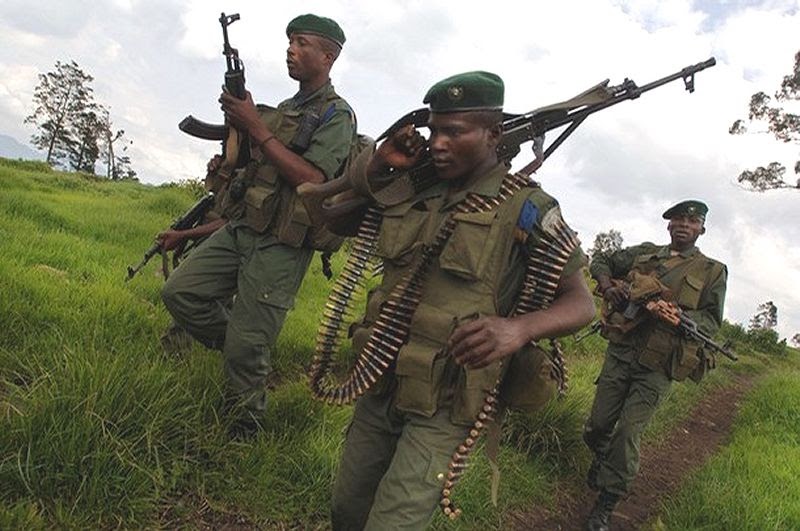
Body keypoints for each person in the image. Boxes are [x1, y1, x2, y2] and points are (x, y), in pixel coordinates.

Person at [330, 71, 596, 530]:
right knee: (347, 510)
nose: (438, 142)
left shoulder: (527, 206)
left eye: (455, 131)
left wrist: (517, 330)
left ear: (494, 135)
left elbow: (582, 304)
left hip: (448, 397)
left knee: (393, 522)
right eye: (434, 130)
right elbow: (329, 218)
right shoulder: (412, 187)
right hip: (380, 377)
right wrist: (377, 168)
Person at [162, 14, 356, 436]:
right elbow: (255, 165)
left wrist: (254, 126)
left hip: (281, 245)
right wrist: (237, 135)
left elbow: (313, 180)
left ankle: (244, 433)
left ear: (328, 56)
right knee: (180, 292)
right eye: (289, 41)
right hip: (241, 228)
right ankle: (243, 347)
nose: (291, 49)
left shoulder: (337, 115)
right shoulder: (286, 110)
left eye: (302, 43)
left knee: (247, 347)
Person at [583, 200, 727, 531]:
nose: (684, 225)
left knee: (629, 432)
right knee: (598, 426)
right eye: (678, 219)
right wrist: (609, 287)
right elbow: (603, 260)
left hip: (659, 363)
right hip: (621, 351)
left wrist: (679, 317)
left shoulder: (712, 271)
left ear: (701, 229)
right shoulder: (645, 254)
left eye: (692, 221)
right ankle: (603, 459)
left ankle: (606, 503)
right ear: (668, 225)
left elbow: (711, 320)